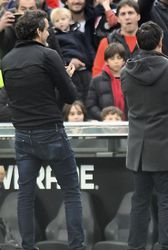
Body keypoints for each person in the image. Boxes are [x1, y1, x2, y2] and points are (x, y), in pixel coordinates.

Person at [1, 10, 85, 250]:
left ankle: (28, 245)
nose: (49, 32)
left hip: (22, 135)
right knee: (71, 192)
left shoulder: (6, 60)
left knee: (25, 194)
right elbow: (70, 96)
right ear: (38, 32)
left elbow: (23, 95)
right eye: (47, 29)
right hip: (50, 131)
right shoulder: (48, 55)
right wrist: (66, 78)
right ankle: (77, 246)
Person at [121, 21, 168, 250]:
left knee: (139, 203)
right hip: (166, 151)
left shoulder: (125, 72)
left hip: (139, 151)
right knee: (167, 204)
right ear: (160, 42)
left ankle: (135, 247)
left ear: (138, 43)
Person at [51, 7, 95, 103]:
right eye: (57, 21)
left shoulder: (79, 34)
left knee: (89, 97)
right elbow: (58, 55)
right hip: (70, 72)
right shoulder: (55, 38)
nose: (60, 22)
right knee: (76, 99)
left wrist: (88, 63)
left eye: (63, 19)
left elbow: (87, 50)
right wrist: (69, 62)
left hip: (85, 70)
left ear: (70, 20)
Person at [93, 0, 140, 77]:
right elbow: (97, 73)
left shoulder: (149, 39)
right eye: (123, 14)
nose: (127, 17)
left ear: (138, 16)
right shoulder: (107, 42)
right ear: (118, 18)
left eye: (130, 13)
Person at [87, 42, 126, 121]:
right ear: (106, 61)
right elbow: (91, 105)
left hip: (128, 124)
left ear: (123, 60)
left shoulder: (131, 79)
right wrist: (103, 116)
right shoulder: (96, 81)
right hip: (106, 125)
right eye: (112, 58)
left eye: (119, 58)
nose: (116, 61)